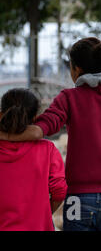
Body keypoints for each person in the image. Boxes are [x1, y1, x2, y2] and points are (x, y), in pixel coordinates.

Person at [0, 37, 101, 231]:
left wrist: (6, 136)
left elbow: (37, 132)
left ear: (76, 69)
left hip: (78, 199)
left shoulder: (68, 98)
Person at [0, 89, 67, 231]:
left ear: (1, 114)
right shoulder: (47, 149)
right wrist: (43, 214)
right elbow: (60, 191)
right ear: (36, 118)